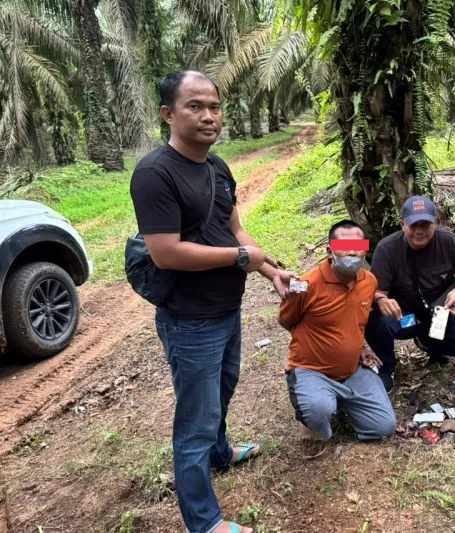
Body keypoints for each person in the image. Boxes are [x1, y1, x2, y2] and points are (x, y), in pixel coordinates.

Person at [130, 70, 295, 533]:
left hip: (226, 309)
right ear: (168, 114)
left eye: (215, 107)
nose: (208, 116)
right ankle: (203, 522)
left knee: (220, 394)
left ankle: (221, 455)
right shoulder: (154, 174)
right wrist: (243, 256)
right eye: (195, 106)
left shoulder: (217, 167)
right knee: (195, 421)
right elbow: (166, 252)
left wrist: (269, 270)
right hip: (189, 320)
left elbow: (234, 229)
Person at [279, 220, 396, 456]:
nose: (352, 251)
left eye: (358, 245)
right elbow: (285, 321)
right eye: (345, 245)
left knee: (384, 426)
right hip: (311, 368)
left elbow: (355, 318)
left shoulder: (369, 281)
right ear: (329, 251)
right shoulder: (304, 284)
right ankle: (312, 409)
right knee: (318, 414)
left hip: (352, 369)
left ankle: (339, 400)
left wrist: (358, 346)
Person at [364, 195, 455, 391]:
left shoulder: (450, 242)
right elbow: (377, 290)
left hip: (442, 313)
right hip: (406, 318)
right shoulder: (386, 248)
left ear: (436, 223)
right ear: (402, 225)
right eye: (414, 225)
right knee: (374, 321)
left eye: (426, 224)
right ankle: (387, 368)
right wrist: (381, 299)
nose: (420, 231)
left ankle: (431, 343)